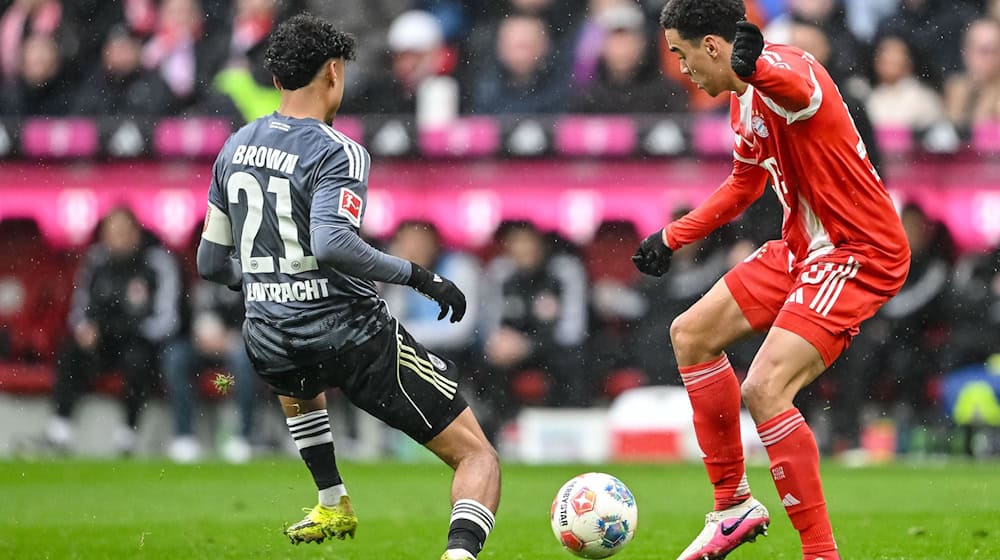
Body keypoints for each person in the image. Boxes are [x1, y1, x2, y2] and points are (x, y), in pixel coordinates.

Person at [195, 15, 499, 560]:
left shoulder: (234, 146)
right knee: (478, 457)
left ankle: (331, 499)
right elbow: (333, 243)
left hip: (268, 337)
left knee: (292, 359)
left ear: (276, 78)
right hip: (350, 334)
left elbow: (211, 262)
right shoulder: (339, 149)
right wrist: (422, 277)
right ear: (333, 73)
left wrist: (272, 282)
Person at [632, 2, 910, 559]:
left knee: (764, 389)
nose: (682, 70)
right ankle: (732, 507)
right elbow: (743, 185)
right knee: (691, 334)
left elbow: (795, 90)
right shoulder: (741, 102)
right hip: (803, 248)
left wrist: (756, 68)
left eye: (683, 56)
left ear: (713, 46)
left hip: (857, 251)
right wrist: (672, 237)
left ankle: (820, 554)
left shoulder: (790, 69)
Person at [45, 207, 185, 455]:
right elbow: (79, 308)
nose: (117, 239)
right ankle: (59, 428)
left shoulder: (157, 261)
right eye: (111, 233)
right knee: (70, 351)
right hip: (103, 343)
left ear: (136, 233)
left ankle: (128, 433)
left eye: (123, 232)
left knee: (137, 359)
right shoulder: (96, 260)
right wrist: (83, 328)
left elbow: (167, 321)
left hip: (142, 342)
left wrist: (126, 330)